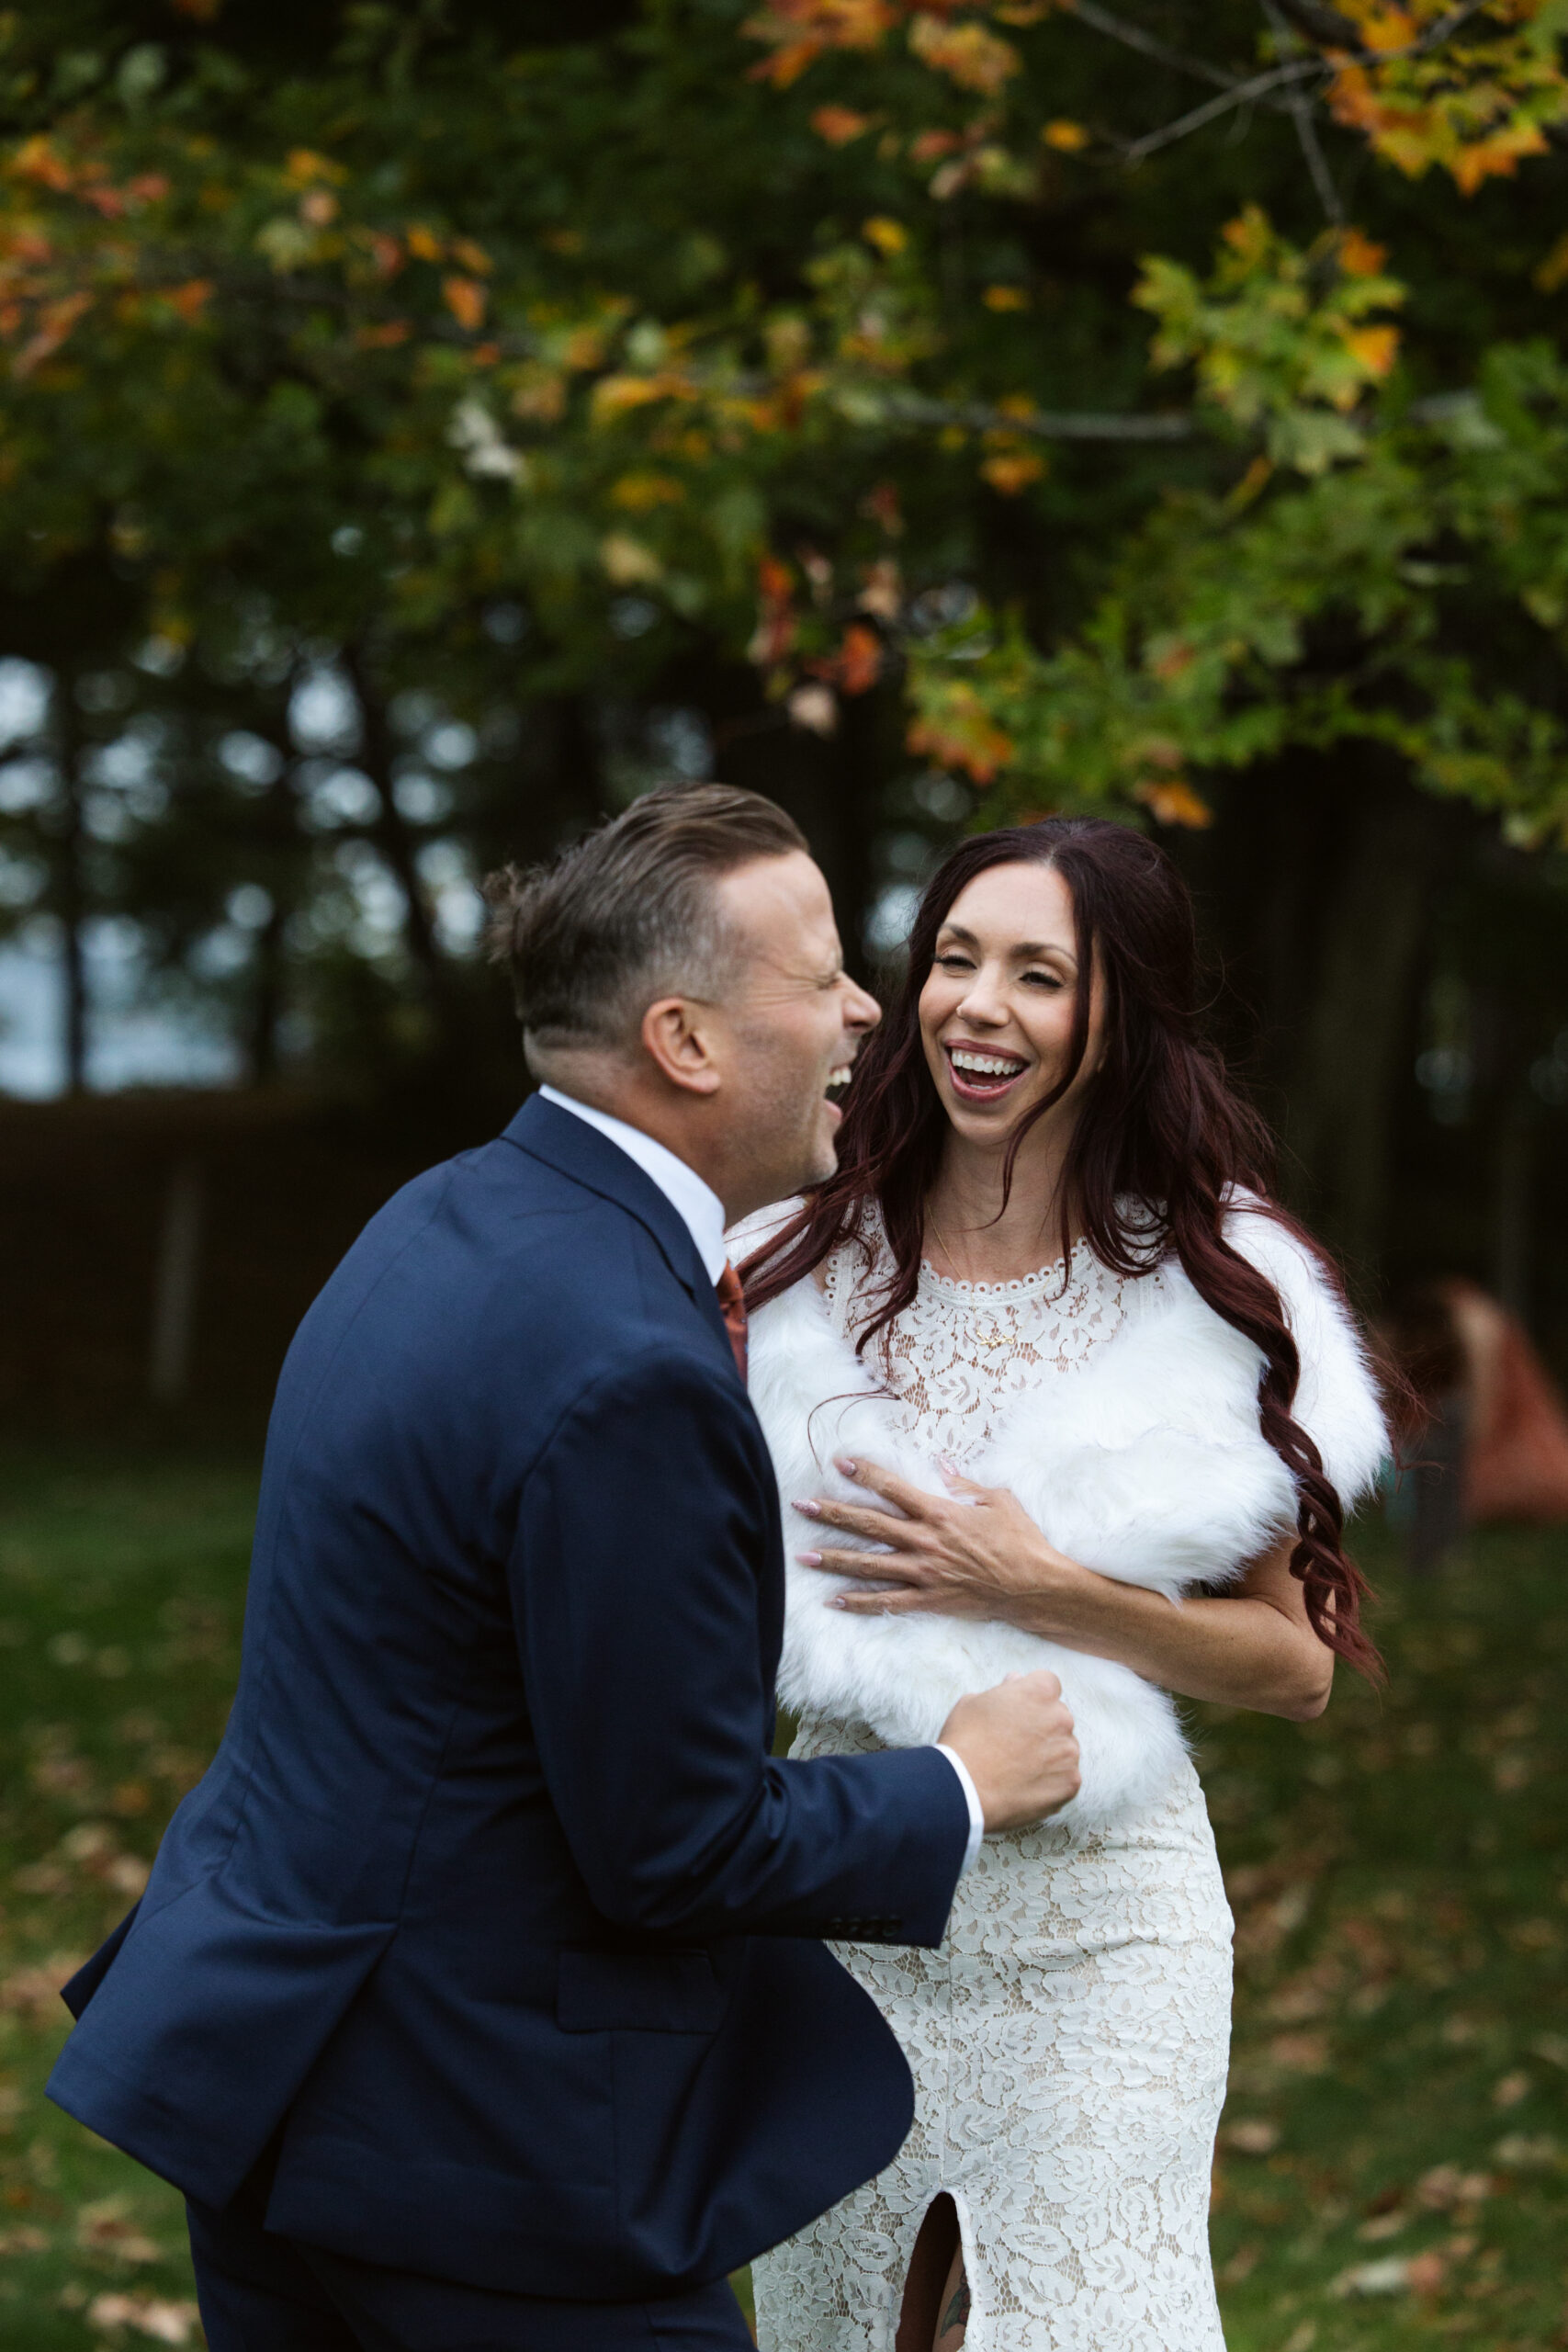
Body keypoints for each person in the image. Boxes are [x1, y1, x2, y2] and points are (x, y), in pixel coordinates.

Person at [45, 786, 1081, 2352]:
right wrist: (961, 1784)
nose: (869, 1010)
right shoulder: (628, 1367)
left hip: (280, 2086)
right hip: (485, 2159)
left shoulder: (440, 1218)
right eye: (821, 976)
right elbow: (674, 1846)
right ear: (685, 1040)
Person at [735, 819, 1391, 2352]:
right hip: (849, 1907)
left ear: (1120, 1014)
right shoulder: (796, 1260)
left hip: (1107, 1937)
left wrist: (1041, 1585)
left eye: (1040, 974)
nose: (980, 1006)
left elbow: (1295, 1669)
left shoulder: (1213, 1289)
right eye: (956, 960)